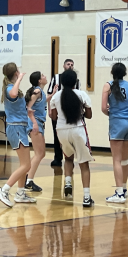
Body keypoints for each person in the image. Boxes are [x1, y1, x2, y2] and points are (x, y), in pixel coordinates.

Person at [50, 69, 94, 207]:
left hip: (61, 130)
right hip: (78, 130)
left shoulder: (56, 96)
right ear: (76, 81)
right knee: (84, 163)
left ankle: (68, 184)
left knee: (68, 158)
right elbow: (89, 115)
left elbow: (54, 117)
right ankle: (86, 197)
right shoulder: (82, 94)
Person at [0, 63, 37, 207]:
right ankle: (4, 190)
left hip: (20, 127)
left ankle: (20, 193)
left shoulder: (13, 89)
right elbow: (13, 93)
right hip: (15, 128)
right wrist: (20, 79)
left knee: (24, 165)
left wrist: (28, 113)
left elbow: (16, 102)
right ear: (15, 73)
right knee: (26, 165)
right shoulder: (9, 89)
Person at [101, 62, 128, 203]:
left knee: (116, 159)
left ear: (112, 72)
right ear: (124, 73)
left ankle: (119, 193)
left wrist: (112, 113)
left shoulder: (107, 85)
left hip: (118, 122)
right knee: (125, 159)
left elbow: (104, 108)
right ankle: (124, 188)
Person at [24, 71, 56, 192]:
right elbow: (28, 108)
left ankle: (27, 177)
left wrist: (52, 94)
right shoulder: (36, 91)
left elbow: (41, 102)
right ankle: (28, 180)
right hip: (35, 123)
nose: (45, 76)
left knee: (41, 153)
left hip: (38, 123)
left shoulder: (40, 92)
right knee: (39, 153)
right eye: (43, 76)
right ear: (39, 80)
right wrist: (34, 122)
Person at [47, 59, 79, 167]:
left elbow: (78, 95)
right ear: (63, 65)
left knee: (71, 135)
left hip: (70, 111)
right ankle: (57, 158)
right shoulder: (56, 78)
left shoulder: (76, 80)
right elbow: (50, 94)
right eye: (68, 64)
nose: (70, 66)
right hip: (58, 110)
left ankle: (70, 158)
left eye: (72, 64)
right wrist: (50, 110)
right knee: (57, 136)